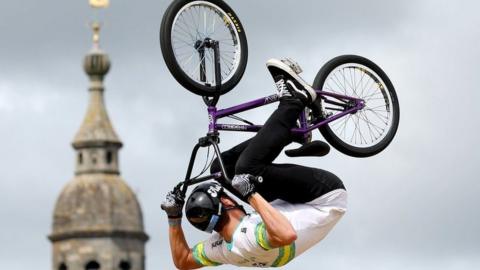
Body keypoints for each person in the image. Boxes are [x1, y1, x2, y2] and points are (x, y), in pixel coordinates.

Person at [161, 58, 347, 269]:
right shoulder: (249, 238)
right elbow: (286, 235)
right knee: (246, 171)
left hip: (289, 203)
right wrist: (250, 193)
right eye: (226, 195)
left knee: (219, 171)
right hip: (325, 198)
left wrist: (173, 217)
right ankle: (295, 101)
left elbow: (183, 261)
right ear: (227, 202)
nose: (231, 195)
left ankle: (289, 129)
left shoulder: (221, 248)